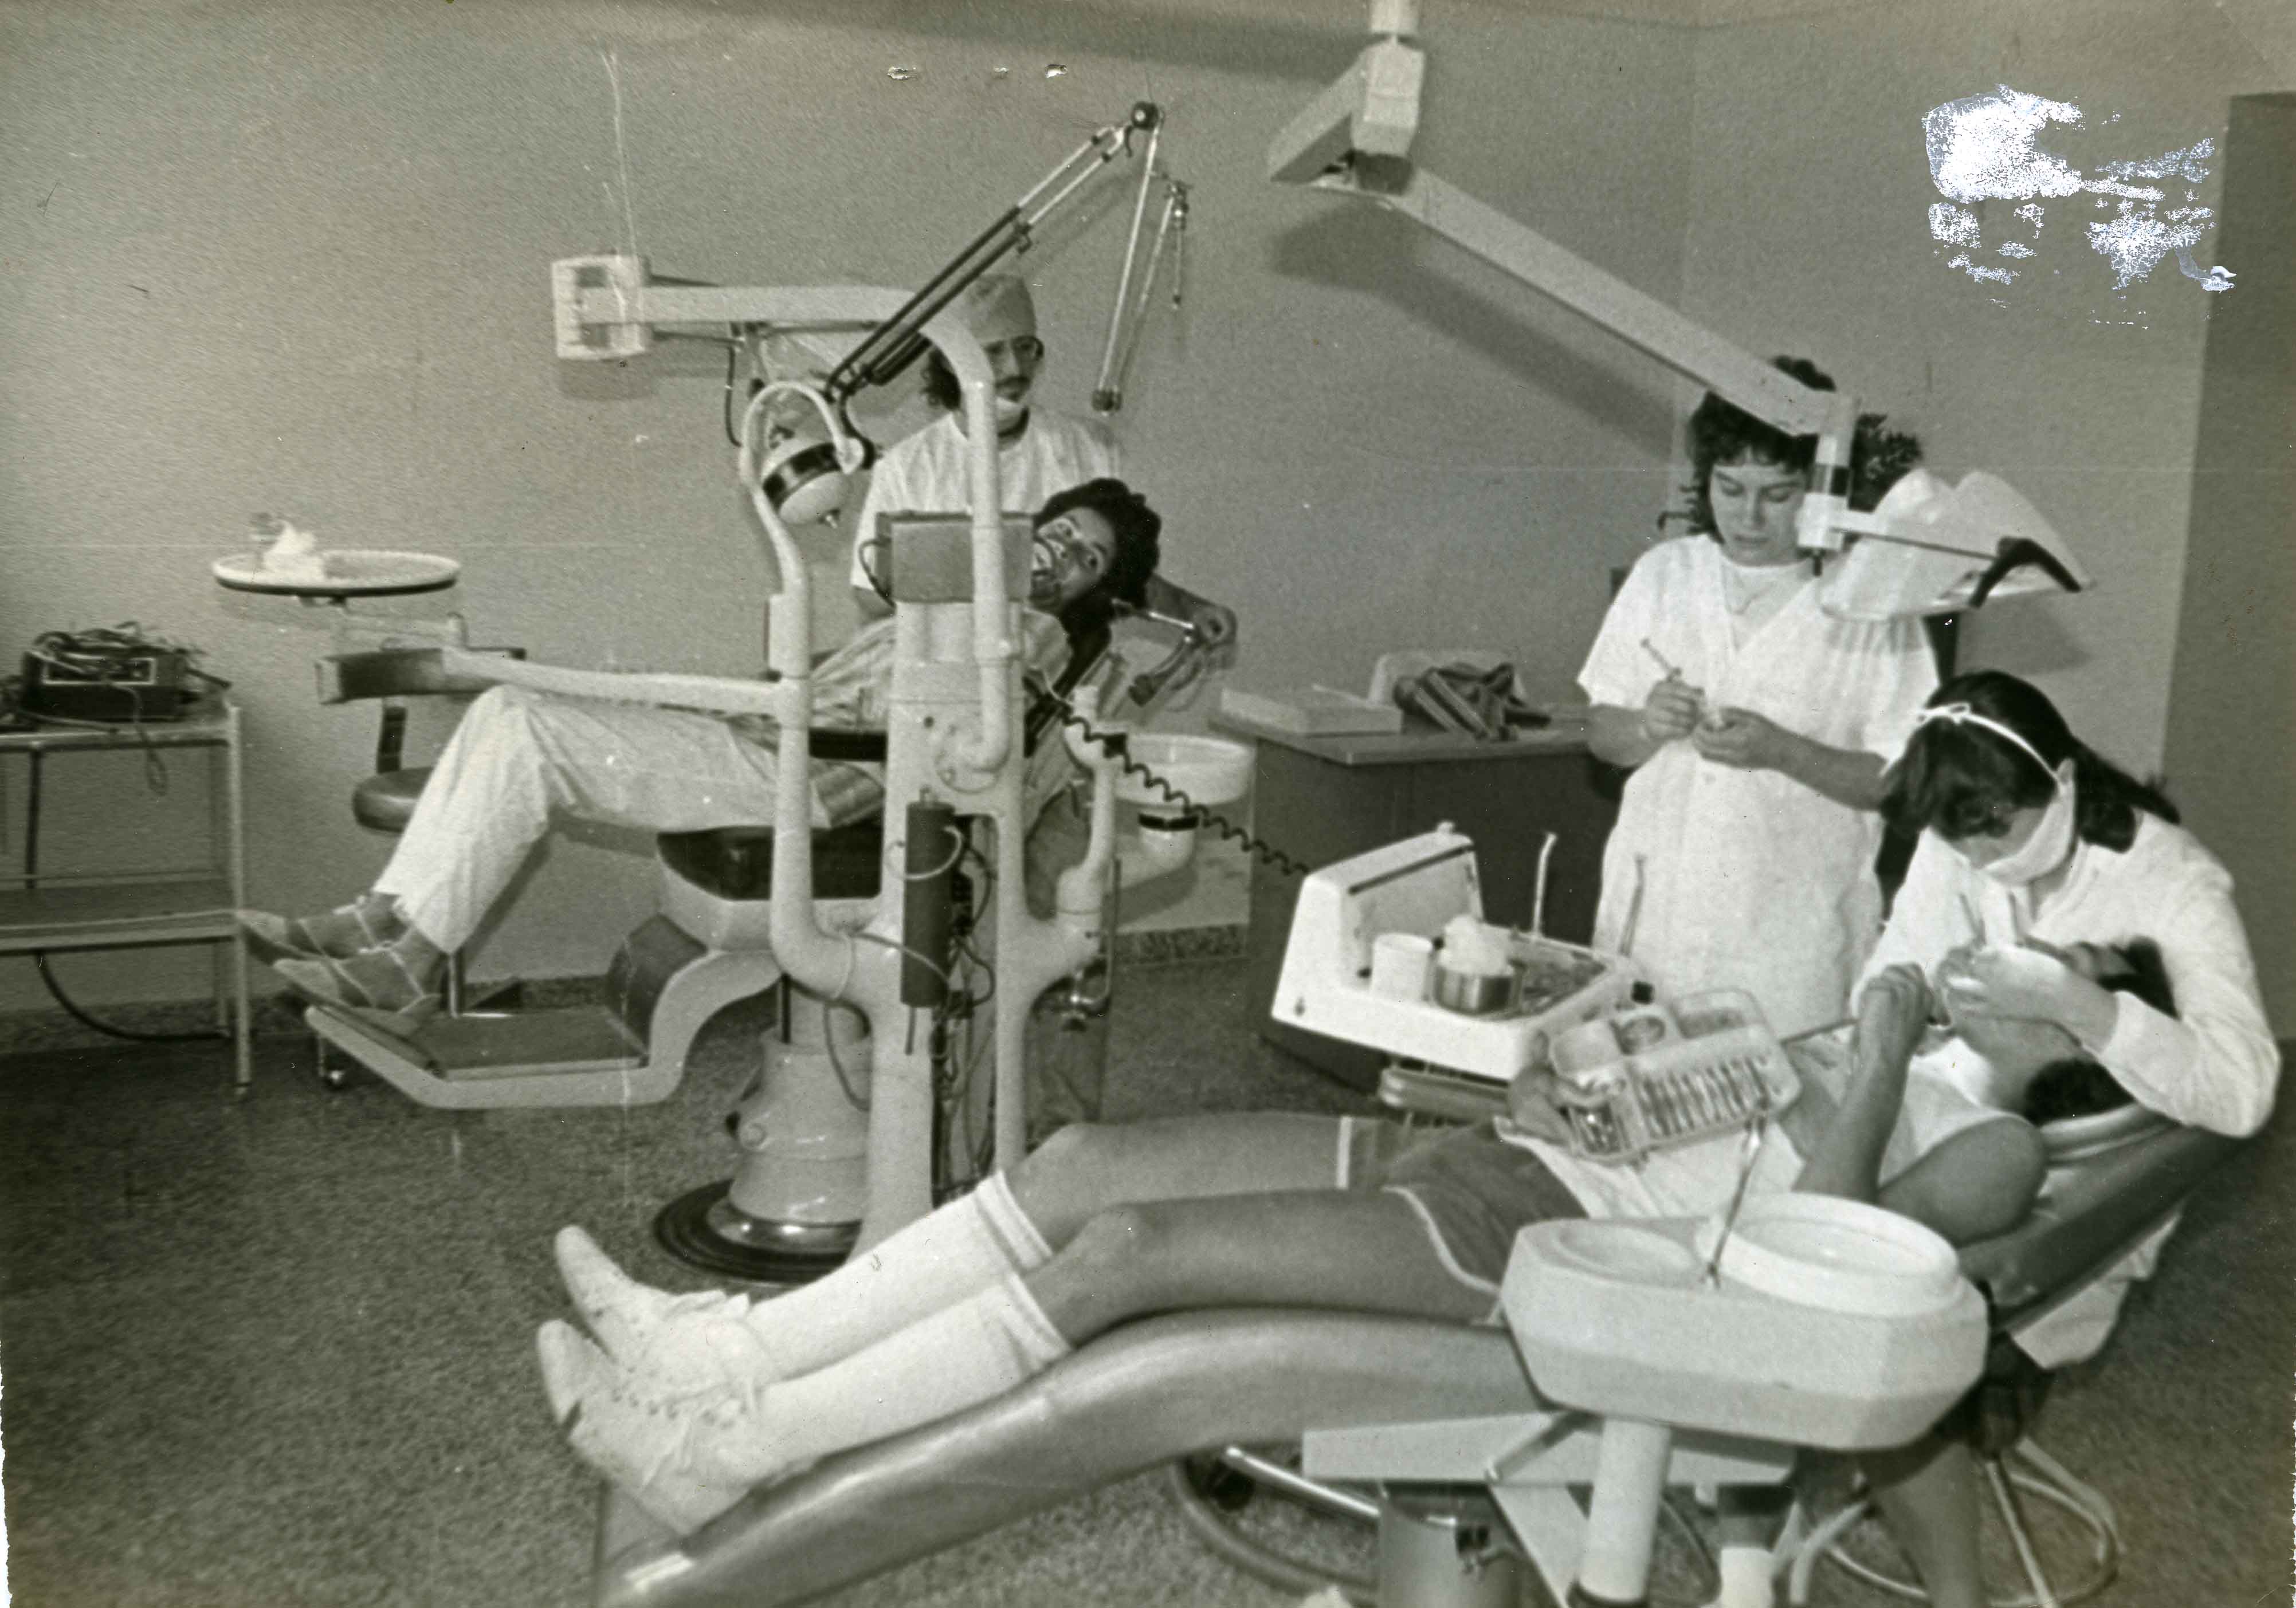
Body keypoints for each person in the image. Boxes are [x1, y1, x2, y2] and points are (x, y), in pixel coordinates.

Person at [241, 479, 1164, 1024]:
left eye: (1085, 559)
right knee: (503, 707)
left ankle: (409, 962)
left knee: (524, 729)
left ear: (1092, 593)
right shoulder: (952, 600)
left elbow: (914, 722)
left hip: (814, 777)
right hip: (774, 741)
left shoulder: (1031, 632)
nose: (1059, 556)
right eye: (1057, 532)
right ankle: (378, 917)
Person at [1580, 358, 1936, 1037]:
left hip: (1787, 947)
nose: (1747, 516)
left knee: (1783, 1094)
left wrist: (1781, 751)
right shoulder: (1665, 575)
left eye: (1777, 494)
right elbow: (1600, 732)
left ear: (1822, 487)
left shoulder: (1871, 605)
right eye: (1729, 487)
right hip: (1654, 928)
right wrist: (1646, 724)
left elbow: (1902, 783)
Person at [848, 272, 1235, 665]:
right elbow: (870, 597)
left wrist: (1190, 609)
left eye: (1025, 348)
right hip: (944, 669)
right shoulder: (908, 467)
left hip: (1050, 674)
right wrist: (973, 575)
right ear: (951, 363)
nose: (1016, 368)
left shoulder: (1088, 447)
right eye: (993, 353)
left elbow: (1119, 574)